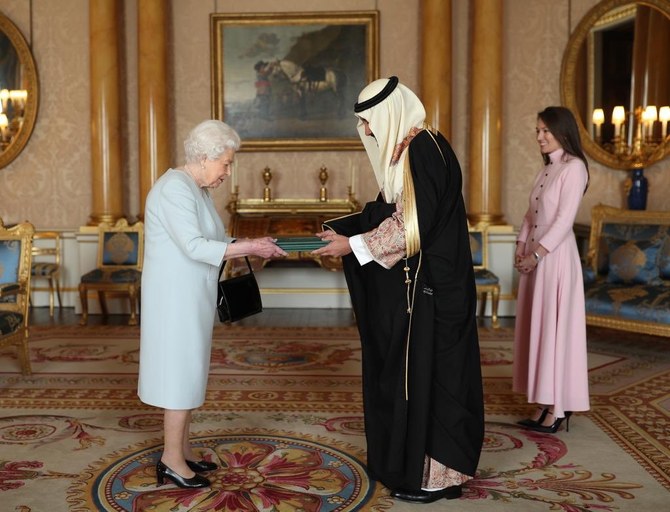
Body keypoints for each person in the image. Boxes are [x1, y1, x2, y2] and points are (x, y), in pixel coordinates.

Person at [313, 76, 485, 504]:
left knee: (434, 380)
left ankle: (434, 478)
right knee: (426, 378)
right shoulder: (416, 149)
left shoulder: (422, 150)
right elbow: (384, 211)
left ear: (389, 114)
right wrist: (341, 231)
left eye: (369, 122)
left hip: (434, 292)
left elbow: (411, 226)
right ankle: (426, 471)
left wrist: (350, 245)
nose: (367, 131)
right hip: (429, 288)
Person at [137, 120, 287, 489]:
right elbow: (193, 246)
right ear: (204, 157)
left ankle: (182, 451)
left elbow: (215, 238)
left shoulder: (196, 188)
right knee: (178, 374)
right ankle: (171, 460)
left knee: (189, 370)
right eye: (226, 163)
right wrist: (250, 248)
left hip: (191, 295)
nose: (228, 171)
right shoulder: (174, 188)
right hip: (174, 299)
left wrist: (252, 241)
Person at [513, 106, 590, 434]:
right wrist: (520, 245)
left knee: (554, 329)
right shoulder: (547, 169)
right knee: (540, 327)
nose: (540, 137)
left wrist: (538, 254)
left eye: (546, 131)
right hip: (537, 255)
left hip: (555, 258)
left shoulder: (574, 168)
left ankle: (558, 409)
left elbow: (563, 221)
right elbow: (532, 215)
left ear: (563, 131)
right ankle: (544, 402)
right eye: (538, 131)